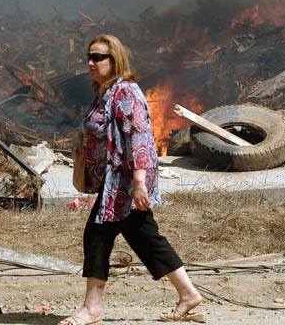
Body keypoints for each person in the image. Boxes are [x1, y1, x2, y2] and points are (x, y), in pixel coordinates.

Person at [58, 35, 203, 325]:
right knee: (144, 235)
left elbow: (138, 137)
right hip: (113, 180)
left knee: (98, 236)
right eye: (89, 56)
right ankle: (188, 293)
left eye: (99, 57)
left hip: (124, 181)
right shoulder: (104, 92)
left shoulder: (127, 92)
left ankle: (91, 309)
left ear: (116, 60)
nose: (91, 62)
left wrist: (138, 183)